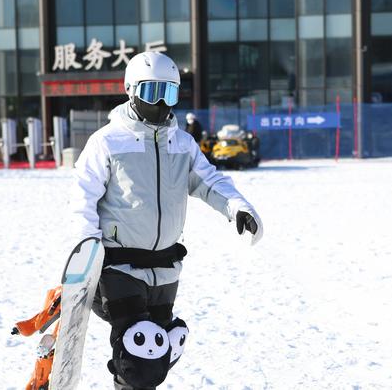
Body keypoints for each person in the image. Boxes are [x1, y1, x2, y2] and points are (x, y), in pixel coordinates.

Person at [72, 51, 263, 390]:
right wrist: (86, 250)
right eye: (151, 92)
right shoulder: (107, 142)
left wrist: (238, 207)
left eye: (169, 93)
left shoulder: (182, 143)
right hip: (119, 267)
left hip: (167, 266)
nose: (161, 102)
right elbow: (82, 198)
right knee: (139, 355)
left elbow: (209, 181)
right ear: (131, 90)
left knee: (161, 349)